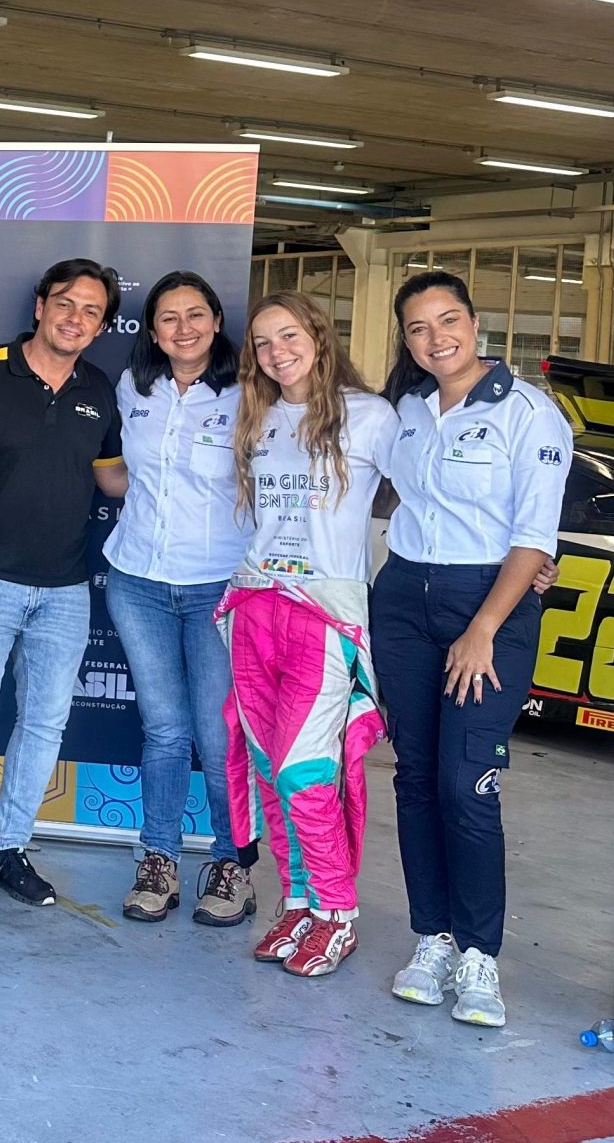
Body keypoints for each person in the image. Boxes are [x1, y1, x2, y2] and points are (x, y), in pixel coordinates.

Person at [374, 272, 572, 1029]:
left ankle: (481, 956)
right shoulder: (410, 413)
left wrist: (484, 625)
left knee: (467, 783)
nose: (436, 337)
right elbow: (378, 487)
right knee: (417, 777)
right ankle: (434, 938)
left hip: (489, 609)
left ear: (475, 321)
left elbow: (534, 538)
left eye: (447, 320)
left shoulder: (529, 415)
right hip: (404, 602)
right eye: (419, 328)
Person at [0, 258, 128, 912]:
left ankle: (7, 851)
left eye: (92, 310)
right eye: (66, 303)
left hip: (65, 590)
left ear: (101, 325)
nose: (76, 318)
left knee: (43, 725)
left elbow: (113, 479)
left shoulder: (100, 389)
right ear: (40, 305)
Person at [218, 292, 396, 978]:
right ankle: (298, 904)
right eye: (262, 343)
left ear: (319, 337)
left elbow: (430, 493)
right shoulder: (257, 415)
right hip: (255, 604)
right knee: (268, 765)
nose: (276, 352)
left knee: (305, 769)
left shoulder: (371, 416)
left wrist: (524, 557)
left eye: (288, 336)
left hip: (325, 613)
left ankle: (337, 911)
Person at [101, 272, 257, 927]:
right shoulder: (134, 388)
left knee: (218, 736)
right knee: (164, 730)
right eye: (169, 317)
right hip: (137, 579)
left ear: (217, 321)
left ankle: (231, 864)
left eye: (196, 315)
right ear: (152, 328)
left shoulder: (253, 394)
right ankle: (158, 859)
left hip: (219, 586)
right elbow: (114, 472)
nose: (183, 328)